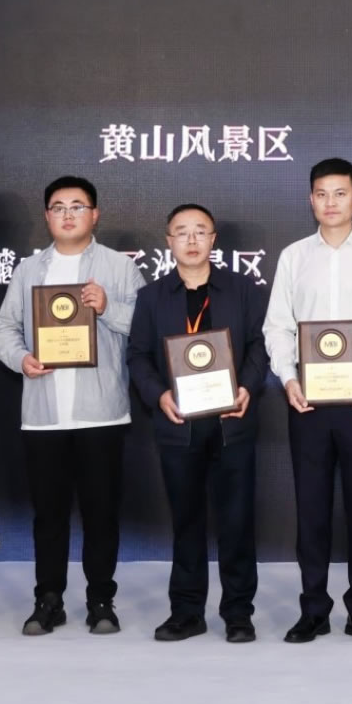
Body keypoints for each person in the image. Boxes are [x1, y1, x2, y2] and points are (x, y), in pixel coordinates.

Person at [264, 158, 352, 645]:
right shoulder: (293, 257)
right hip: (306, 394)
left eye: (340, 193)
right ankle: (313, 609)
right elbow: (277, 326)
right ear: (311, 200)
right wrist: (287, 379)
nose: (331, 202)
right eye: (322, 194)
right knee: (311, 507)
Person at [0, 175, 144, 637]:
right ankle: (49, 599)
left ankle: (101, 599)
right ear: (47, 216)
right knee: (49, 516)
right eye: (58, 207)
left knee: (101, 514)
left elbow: (147, 330)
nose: (67, 214)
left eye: (77, 206)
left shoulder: (120, 267)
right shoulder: (28, 269)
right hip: (44, 414)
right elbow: (5, 327)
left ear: (94, 214)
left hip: (102, 411)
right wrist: (21, 359)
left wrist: (108, 308)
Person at [127, 203, 267, 644]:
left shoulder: (242, 290)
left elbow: (259, 346)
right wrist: (159, 395)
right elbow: (138, 356)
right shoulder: (152, 297)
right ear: (168, 242)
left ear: (213, 240)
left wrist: (247, 387)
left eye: (200, 231)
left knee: (237, 521)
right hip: (178, 425)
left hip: (231, 423)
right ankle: (186, 612)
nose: (191, 240)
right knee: (187, 522)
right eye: (181, 232)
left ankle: (238, 613)